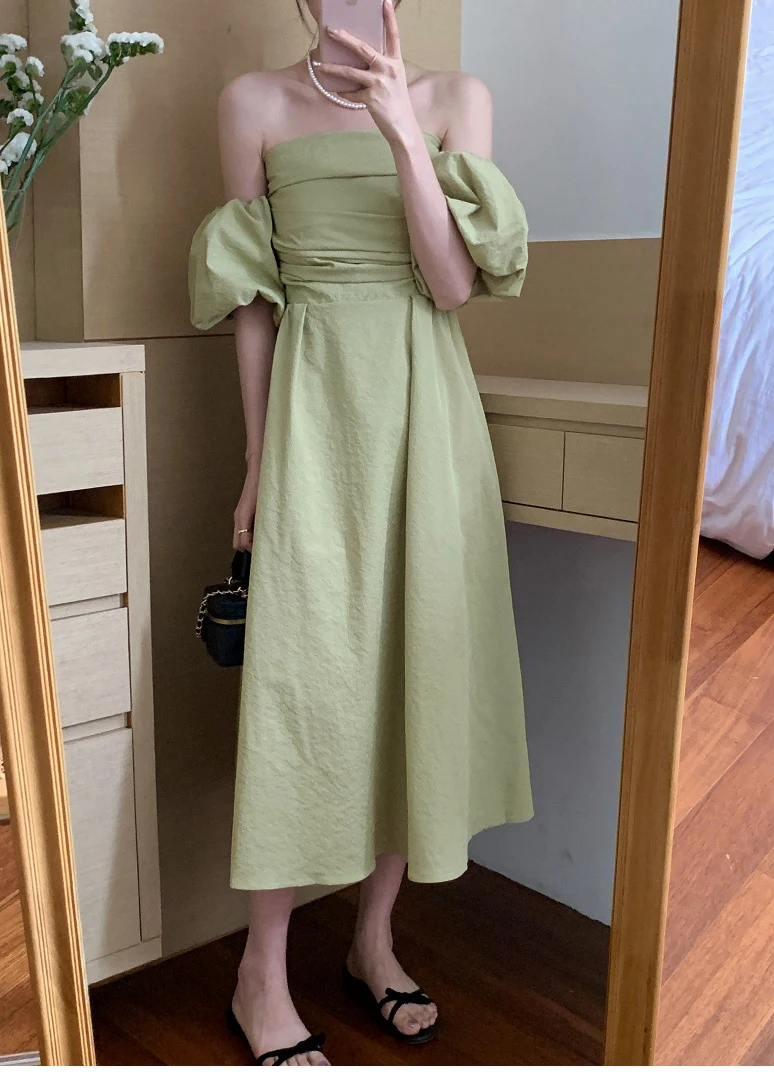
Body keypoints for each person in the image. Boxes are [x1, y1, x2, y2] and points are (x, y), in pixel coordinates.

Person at [188, 0, 533, 1064]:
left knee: (410, 673)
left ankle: (373, 939)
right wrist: (257, 462)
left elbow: (452, 283)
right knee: (304, 684)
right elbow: (252, 302)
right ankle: (260, 971)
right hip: (315, 413)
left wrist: (400, 131)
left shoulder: (455, 98)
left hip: (429, 417)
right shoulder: (251, 103)